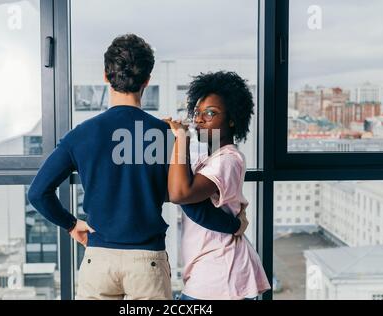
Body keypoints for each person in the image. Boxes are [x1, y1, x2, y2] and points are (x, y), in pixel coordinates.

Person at [28, 34, 247, 300]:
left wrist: (72, 224)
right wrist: (232, 225)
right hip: (148, 263)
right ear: (147, 81)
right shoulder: (165, 135)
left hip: (98, 261)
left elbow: (38, 193)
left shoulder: (81, 135)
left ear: (106, 77)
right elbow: (190, 203)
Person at [165, 71, 271, 300]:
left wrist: (181, 139)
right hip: (213, 271)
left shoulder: (228, 160)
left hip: (220, 275)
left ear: (232, 119)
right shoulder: (209, 158)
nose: (199, 119)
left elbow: (181, 193)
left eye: (210, 113)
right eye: (197, 113)